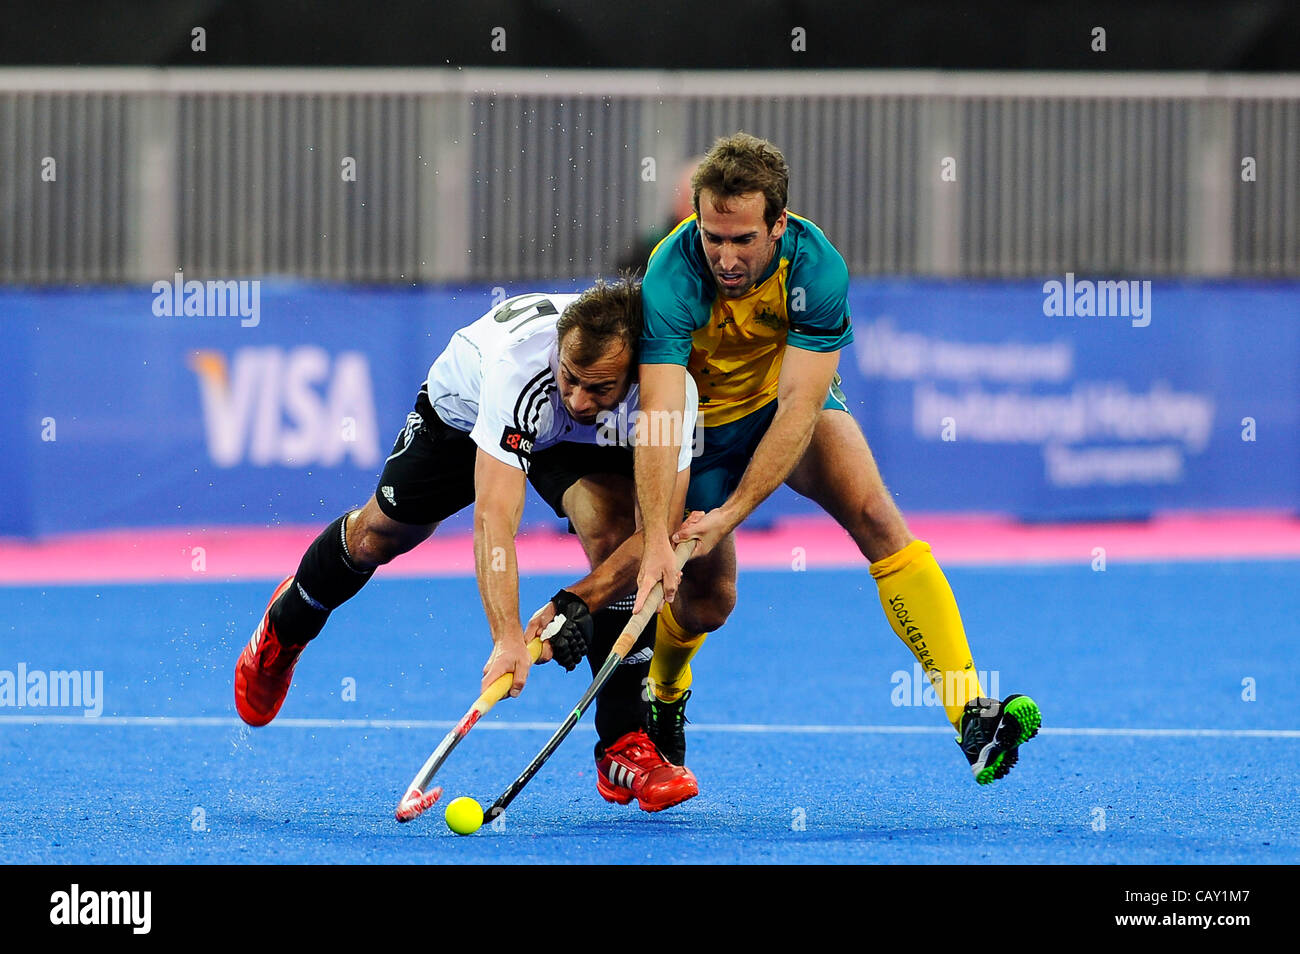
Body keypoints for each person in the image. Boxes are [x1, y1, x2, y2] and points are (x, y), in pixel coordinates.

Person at [632, 132, 1041, 785]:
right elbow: (657, 415)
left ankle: (970, 714)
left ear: (778, 225)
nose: (725, 256)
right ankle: (664, 689)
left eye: (742, 239)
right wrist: (656, 537)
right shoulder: (670, 273)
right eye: (713, 236)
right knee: (710, 601)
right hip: (700, 428)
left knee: (877, 515)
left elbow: (798, 410)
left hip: (781, 398)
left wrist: (734, 511)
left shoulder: (816, 267)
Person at [234, 278, 701, 812]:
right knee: (379, 536)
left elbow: (655, 536)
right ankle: (286, 626)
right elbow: (495, 521)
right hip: (465, 417)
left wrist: (579, 602)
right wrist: (507, 637)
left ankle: (624, 745)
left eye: (597, 388)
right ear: (559, 353)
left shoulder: (669, 389)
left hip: (591, 442)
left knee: (615, 532)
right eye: (570, 378)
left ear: (634, 371)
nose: (577, 398)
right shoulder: (522, 372)